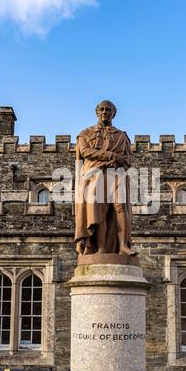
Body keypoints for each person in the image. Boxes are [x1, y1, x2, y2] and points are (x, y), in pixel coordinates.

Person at [74, 100, 137, 256]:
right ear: (97, 112)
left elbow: (128, 159)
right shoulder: (85, 133)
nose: (105, 112)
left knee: (120, 208)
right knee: (99, 212)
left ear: (113, 113)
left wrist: (118, 162)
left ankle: (123, 245)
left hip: (116, 174)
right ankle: (101, 248)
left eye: (108, 110)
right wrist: (110, 155)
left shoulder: (121, 136)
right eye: (102, 109)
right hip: (94, 175)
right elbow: (85, 151)